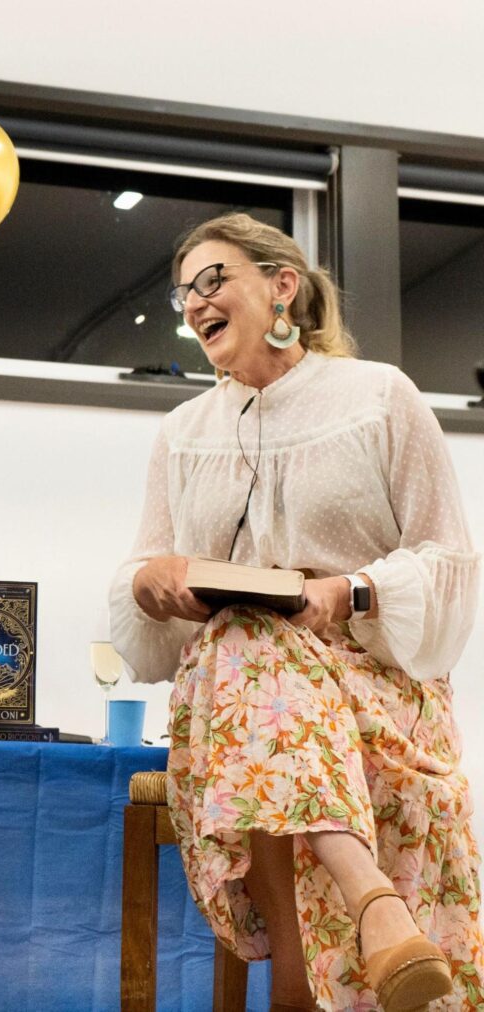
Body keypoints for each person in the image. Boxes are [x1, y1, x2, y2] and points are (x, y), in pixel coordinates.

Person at [109, 212, 483, 1011]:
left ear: (282, 287)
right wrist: (152, 585)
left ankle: (297, 986)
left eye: (213, 280)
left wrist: (345, 592)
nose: (193, 303)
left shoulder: (380, 396)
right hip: (247, 699)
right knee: (246, 636)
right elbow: (146, 592)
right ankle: (371, 901)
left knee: (251, 664)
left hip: (379, 691)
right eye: (183, 293)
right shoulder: (183, 432)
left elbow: (451, 560)